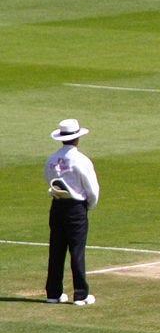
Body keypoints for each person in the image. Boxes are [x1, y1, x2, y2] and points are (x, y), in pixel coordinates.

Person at [45, 119, 100, 305]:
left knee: (56, 250)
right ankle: (81, 294)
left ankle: (53, 293)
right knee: (77, 251)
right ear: (77, 139)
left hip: (57, 205)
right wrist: (88, 206)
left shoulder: (51, 159)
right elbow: (92, 190)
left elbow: (49, 180)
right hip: (76, 207)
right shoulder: (81, 160)